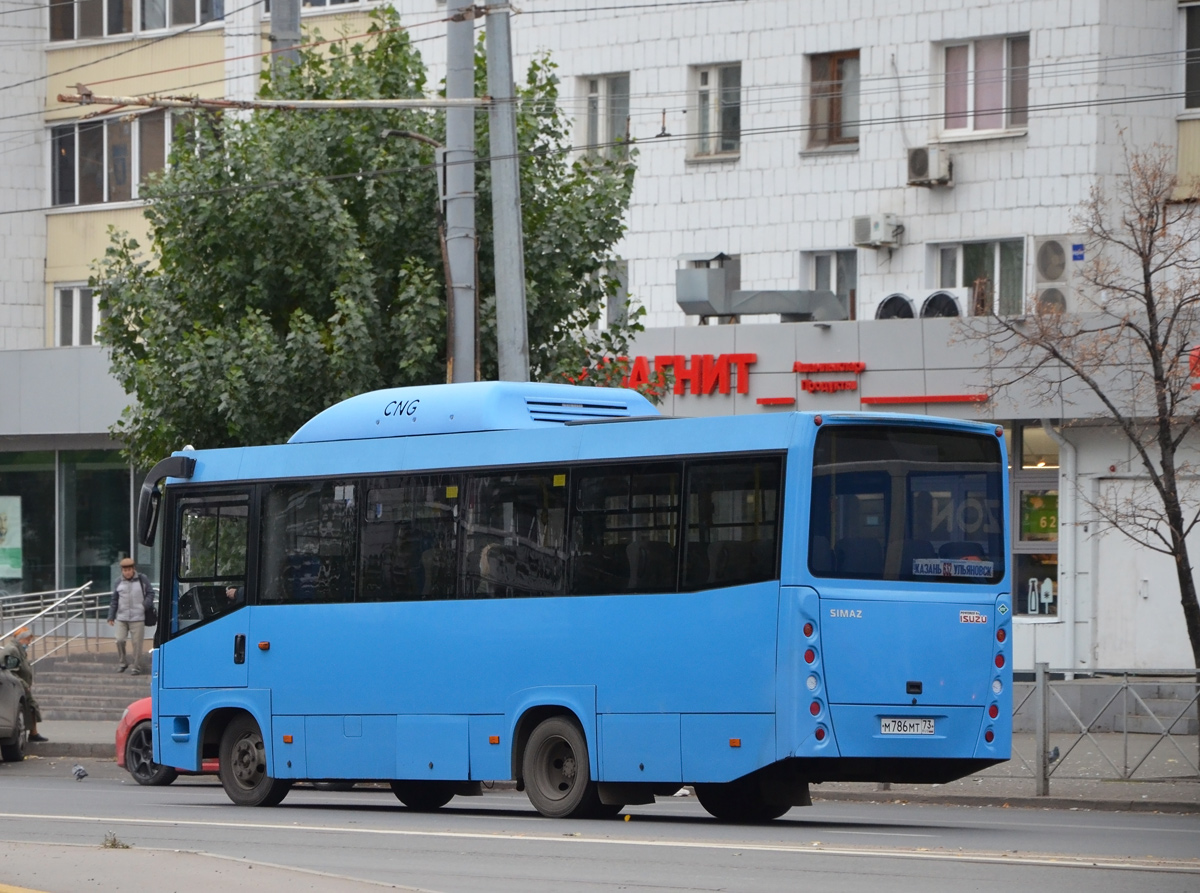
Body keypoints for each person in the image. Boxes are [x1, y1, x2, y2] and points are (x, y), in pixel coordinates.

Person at [108, 557, 155, 675]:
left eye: (129, 570)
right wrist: (111, 616)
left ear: (133, 569)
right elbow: (114, 600)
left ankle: (136, 666)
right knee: (119, 640)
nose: (127, 572)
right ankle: (123, 662)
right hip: (122, 617)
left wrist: (144, 606)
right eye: (124, 570)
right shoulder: (118, 582)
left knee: (137, 644)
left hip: (138, 618)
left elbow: (151, 593)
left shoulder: (142, 579)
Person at [1, 627, 46, 742]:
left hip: (21, 685)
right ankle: (32, 733)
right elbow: (11, 670)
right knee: (30, 706)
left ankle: (33, 732)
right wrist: (23, 684)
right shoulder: (12, 649)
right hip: (17, 685)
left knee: (31, 707)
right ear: (22, 639)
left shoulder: (19, 650)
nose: (29, 643)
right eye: (28, 640)